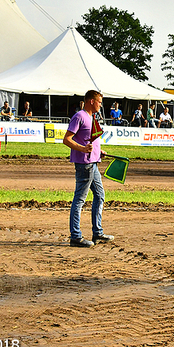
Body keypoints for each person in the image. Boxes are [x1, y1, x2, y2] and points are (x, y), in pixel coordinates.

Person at [63, 90, 113, 248]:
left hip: (94, 163)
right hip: (85, 164)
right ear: (91, 101)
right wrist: (82, 149)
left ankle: (97, 232)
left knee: (100, 195)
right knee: (79, 199)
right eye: (99, 102)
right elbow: (67, 139)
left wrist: (99, 151)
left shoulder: (92, 118)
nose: (100, 105)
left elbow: (91, 141)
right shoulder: (80, 116)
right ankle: (75, 236)